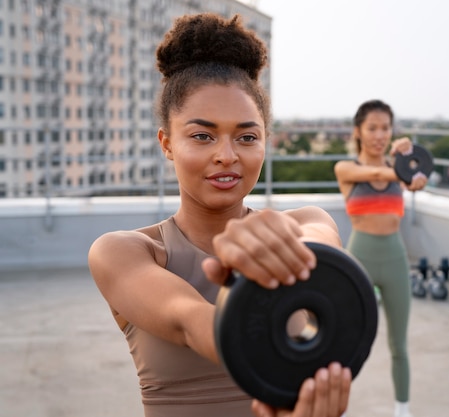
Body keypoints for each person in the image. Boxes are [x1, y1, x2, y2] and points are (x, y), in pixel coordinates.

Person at [88, 13, 351, 417]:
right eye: (202, 136)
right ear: (167, 143)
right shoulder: (124, 252)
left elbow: (319, 247)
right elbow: (192, 322)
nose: (227, 155)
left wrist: (289, 244)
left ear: (266, 142)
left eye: (247, 137)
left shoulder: (304, 223)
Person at [333, 100, 428, 417]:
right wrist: (403, 168)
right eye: (372, 128)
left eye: (385, 128)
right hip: (359, 259)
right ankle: (338, 409)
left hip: (395, 258)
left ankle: (403, 411)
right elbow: (375, 171)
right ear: (357, 131)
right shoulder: (346, 169)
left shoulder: (397, 166)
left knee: (398, 345)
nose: (379, 134)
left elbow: (411, 177)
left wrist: (414, 171)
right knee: (345, 342)